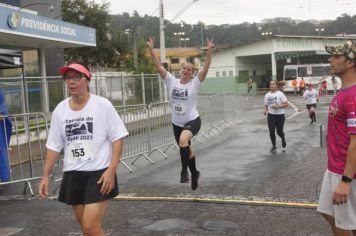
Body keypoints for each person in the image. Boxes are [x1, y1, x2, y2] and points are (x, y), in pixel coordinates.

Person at [38, 63, 128, 235]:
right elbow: (54, 146)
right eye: (68, 78)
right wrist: (45, 176)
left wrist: (111, 170)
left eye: (76, 77)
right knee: (87, 229)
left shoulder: (102, 105)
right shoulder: (60, 110)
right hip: (73, 173)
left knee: (90, 226)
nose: (71, 82)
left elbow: (117, 137)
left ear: (87, 80)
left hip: (98, 173)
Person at [147, 36, 214, 190]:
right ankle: (195, 173)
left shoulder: (195, 83)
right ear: (181, 70)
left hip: (192, 121)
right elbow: (158, 66)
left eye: (189, 70)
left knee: (183, 141)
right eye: (184, 68)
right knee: (187, 150)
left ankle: (184, 172)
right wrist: (151, 49)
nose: (186, 71)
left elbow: (205, 68)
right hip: (177, 123)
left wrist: (209, 51)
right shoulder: (171, 81)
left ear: (192, 73)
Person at [317, 40, 356, 235]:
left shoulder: (354, 95)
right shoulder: (344, 91)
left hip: (346, 173)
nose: (330, 59)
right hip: (334, 169)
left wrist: (346, 181)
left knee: (343, 225)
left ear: (350, 63)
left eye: (337, 56)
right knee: (327, 213)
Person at [263, 80, 288, 153]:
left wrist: (278, 106)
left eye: (273, 84)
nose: (272, 86)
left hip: (280, 115)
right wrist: (265, 110)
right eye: (270, 84)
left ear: (276, 86)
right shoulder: (267, 95)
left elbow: (286, 104)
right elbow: (266, 105)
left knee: (279, 131)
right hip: (271, 115)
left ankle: (282, 137)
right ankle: (274, 146)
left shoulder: (280, 94)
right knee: (271, 131)